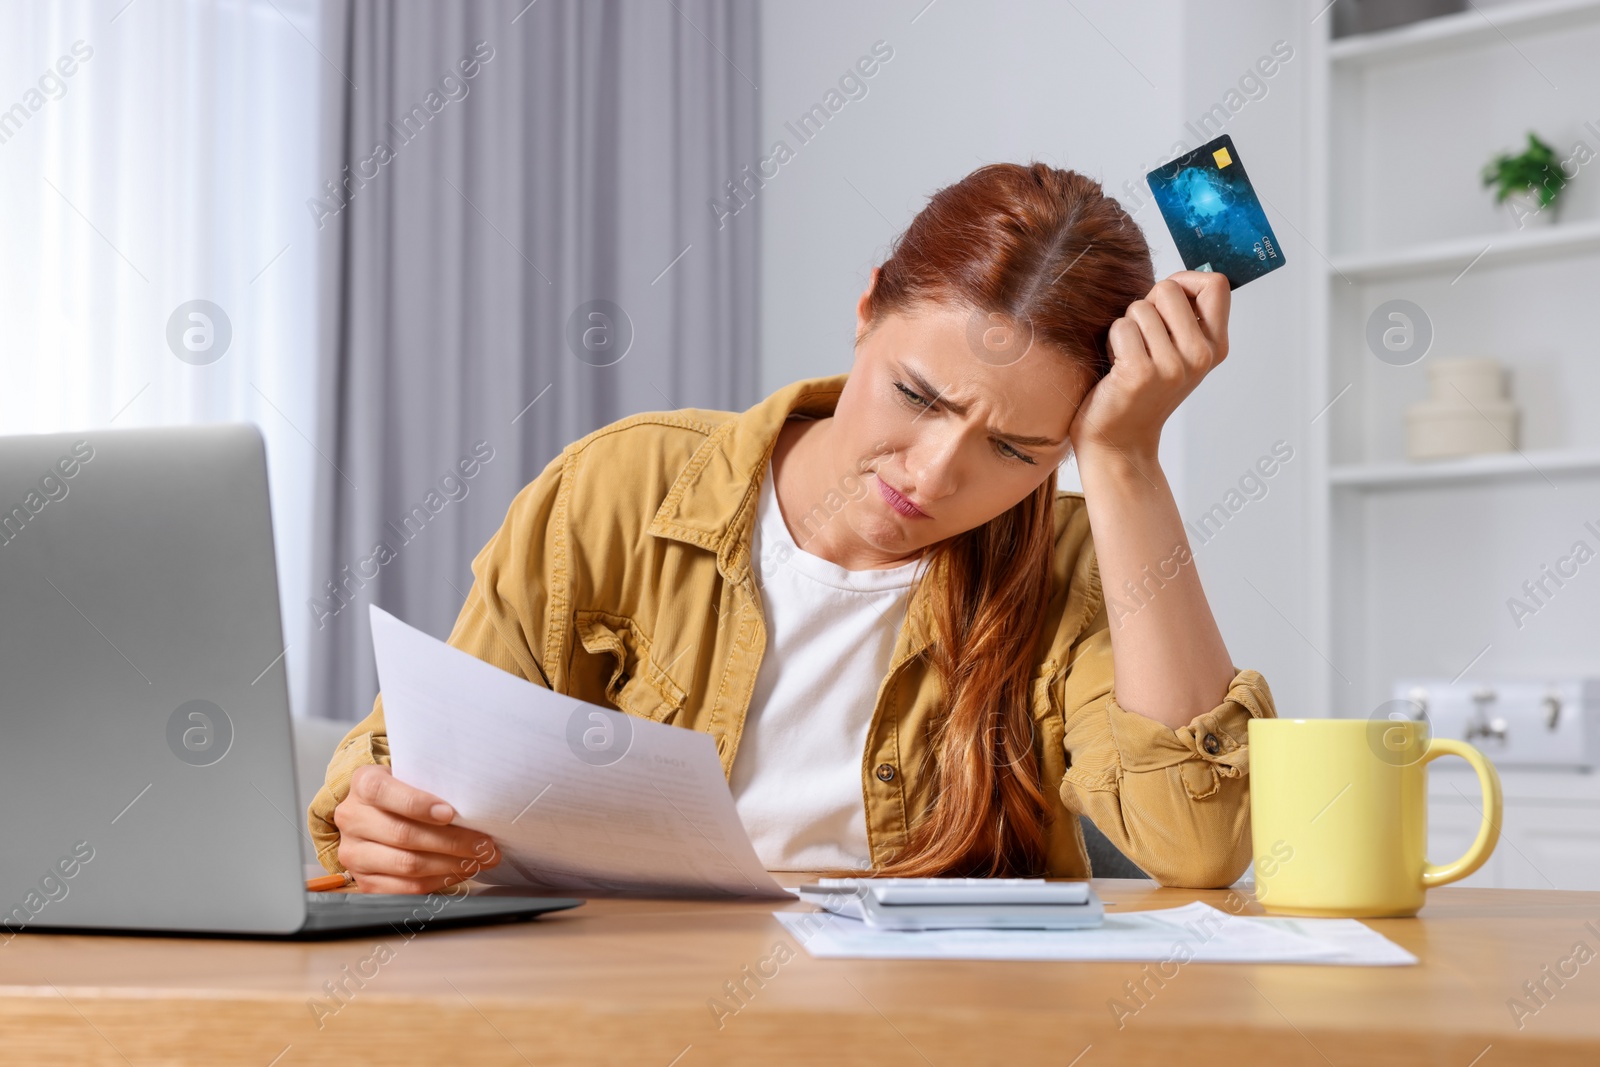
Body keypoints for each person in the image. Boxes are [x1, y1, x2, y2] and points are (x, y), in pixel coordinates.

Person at [307, 161, 1278, 895]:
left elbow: (1198, 846)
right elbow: (419, 756)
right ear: (865, 311)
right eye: (916, 395)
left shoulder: (1068, 557)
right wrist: (382, 815)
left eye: (1018, 450)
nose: (932, 474)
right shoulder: (625, 486)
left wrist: (1125, 461)